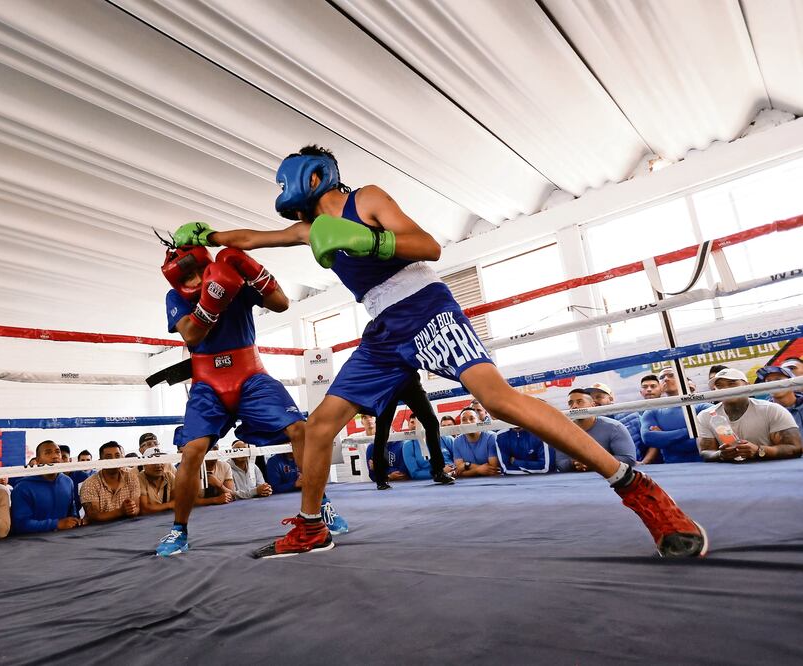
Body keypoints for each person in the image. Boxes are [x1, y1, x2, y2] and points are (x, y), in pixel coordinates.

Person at [174, 144, 706, 558]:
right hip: (383, 330)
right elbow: (253, 238)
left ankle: (635, 486)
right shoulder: (308, 229)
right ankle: (312, 528)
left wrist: (369, 240)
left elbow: (427, 246)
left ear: (311, 177)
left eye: (282, 180)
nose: (280, 189)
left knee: (496, 400)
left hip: (425, 306)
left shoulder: (366, 199)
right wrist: (208, 234)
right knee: (318, 427)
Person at [153, 238, 345, 558]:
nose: (196, 280)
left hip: (250, 375)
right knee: (192, 451)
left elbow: (282, 304)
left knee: (300, 429)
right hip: (208, 384)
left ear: (207, 263)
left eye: (199, 271)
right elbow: (191, 334)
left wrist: (252, 270)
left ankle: (319, 508)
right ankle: (179, 530)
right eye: (187, 277)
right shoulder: (175, 297)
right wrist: (213, 297)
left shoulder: (233, 275)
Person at [697, 368, 801, 462]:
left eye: (732, 384)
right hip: (731, 473)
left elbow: (795, 448)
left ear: (747, 385)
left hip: (772, 470)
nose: (725, 389)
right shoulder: (706, 416)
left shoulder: (771, 409)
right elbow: (705, 451)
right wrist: (720, 454)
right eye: (719, 386)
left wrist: (759, 451)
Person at [370, 375, 455, 489]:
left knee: (431, 422)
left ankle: (439, 471)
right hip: (386, 379)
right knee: (382, 429)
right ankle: (381, 477)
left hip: (408, 378)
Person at [640, 367, 709, 464]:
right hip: (671, 467)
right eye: (662, 377)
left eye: (671, 375)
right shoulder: (652, 411)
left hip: (705, 464)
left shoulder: (702, 407)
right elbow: (648, 438)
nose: (666, 379)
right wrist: (692, 430)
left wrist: (664, 439)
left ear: (684, 381)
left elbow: (707, 441)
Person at [10, 440, 81, 534]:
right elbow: (21, 524)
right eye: (48, 453)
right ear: (38, 460)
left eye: (57, 452)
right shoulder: (22, 488)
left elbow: (72, 510)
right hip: (32, 540)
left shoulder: (68, 482)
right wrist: (56, 524)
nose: (55, 456)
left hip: (65, 537)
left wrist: (76, 520)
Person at [558, 389, 637, 472]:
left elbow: (629, 459)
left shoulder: (614, 427)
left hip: (609, 477)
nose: (574, 406)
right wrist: (574, 463)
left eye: (580, 402)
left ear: (593, 405)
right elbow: (560, 463)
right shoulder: (563, 431)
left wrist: (594, 462)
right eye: (570, 403)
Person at [79, 441, 143, 523]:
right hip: (99, 529)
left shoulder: (131, 478)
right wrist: (121, 511)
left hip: (128, 526)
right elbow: (93, 516)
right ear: (100, 461)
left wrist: (132, 509)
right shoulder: (90, 484)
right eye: (109, 457)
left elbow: (137, 508)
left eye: (117, 456)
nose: (114, 460)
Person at [449, 408, 500, 477]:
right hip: (468, 481)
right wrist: (478, 469)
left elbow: (492, 469)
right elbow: (459, 471)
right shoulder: (457, 441)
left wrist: (466, 465)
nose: (468, 422)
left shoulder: (491, 437)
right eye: (464, 420)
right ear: (460, 424)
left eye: (472, 418)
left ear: (479, 421)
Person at [756, 365, 803, 433]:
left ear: (792, 383)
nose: (773, 384)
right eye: (768, 381)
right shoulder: (763, 412)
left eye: (778, 380)